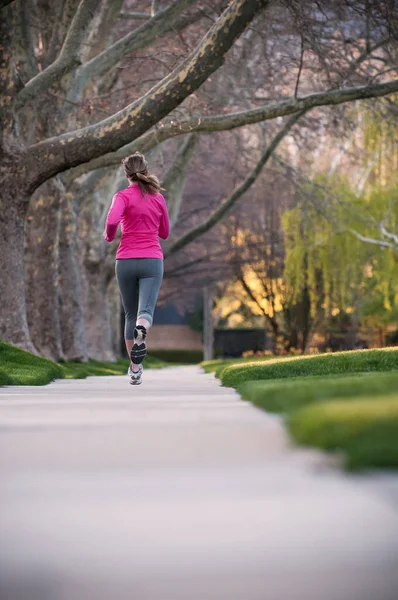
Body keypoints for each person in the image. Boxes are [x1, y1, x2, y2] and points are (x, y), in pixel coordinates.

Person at [104, 152, 170, 386]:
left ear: (126, 173)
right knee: (145, 313)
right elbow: (164, 232)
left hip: (125, 261)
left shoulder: (121, 196)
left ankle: (135, 369)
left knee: (130, 315)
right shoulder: (157, 198)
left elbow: (112, 221)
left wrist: (110, 236)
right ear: (145, 170)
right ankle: (143, 330)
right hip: (152, 260)